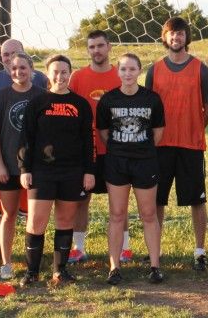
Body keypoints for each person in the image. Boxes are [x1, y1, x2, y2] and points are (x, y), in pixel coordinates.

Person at [145, 17, 208, 270]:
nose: (176, 38)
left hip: (191, 145)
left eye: (181, 34)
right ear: (165, 37)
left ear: (187, 37)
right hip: (161, 145)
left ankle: (199, 251)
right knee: (157, 200)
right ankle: (156, 250)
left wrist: (193, 127)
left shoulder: (200, 68)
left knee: (197, 200)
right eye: (172, 34)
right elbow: (148, 107)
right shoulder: (154, 69)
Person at [18, 55, 94, 287]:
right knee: (36, 222)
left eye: (64, 72)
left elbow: (87, 141)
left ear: (70, 73)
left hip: (72, 171)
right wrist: (25, 168)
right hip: (42, 172)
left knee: (65, 220)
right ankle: (32, 272)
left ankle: (59, 271)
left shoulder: (80, 104)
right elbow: (26, 138)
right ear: (47, 74)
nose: (60, 76)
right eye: (55, 72)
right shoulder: (37, 102)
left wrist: (88, 171)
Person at [97, 53, 166, 285]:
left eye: (132, 69)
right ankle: (114, 267)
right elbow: (104, 133)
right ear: (118, 71)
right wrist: (121, 148)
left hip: (145, 161)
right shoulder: (108, 100)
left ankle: (155, 266)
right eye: (123, 69)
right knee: (117, 215)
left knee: (149, 214)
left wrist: (140, 149)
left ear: (139, 71)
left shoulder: (152, 99)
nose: (128, 74)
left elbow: (157, 133)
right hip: (117, 162)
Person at [68, 30, 127, 264]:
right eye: (92, 47)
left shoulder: (120, 75)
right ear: (87, 50)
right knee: (82, 200)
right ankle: (78, 247)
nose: (96, 51)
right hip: (86, 151)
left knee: (119, 202)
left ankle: (125, 248)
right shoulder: (78, 77)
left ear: (109, 47)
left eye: (100, 45)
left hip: (115, 149)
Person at [0, 52, 45, 279]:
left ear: (32, 69)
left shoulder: (42, 96)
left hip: (34, 168)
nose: (19, 72)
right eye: (14, 68)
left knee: (34, 218)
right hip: (8, 167)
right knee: (8, 215)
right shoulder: (1, 97)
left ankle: (32, 264)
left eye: (23, 68)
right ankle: (6, 262)